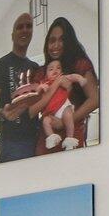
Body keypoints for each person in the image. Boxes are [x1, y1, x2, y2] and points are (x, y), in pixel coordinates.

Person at [34, 16, 99, 151]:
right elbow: (34, 105)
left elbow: (95, 99)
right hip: (47, 138)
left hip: (72, 136)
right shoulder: (41, 72)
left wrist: (65, 122)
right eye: (52, 41)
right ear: (47, 44)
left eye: (62, 40)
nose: (56, 45)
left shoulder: (80, 64)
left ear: (69, 42)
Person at [0, 11, 42, 161]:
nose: (25, 30)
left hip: (36, 138)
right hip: (12, 142)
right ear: (13, 35)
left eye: (29, 26)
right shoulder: (1, 64)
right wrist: (3, 113)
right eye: (20, 27)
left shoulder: (35, 67)